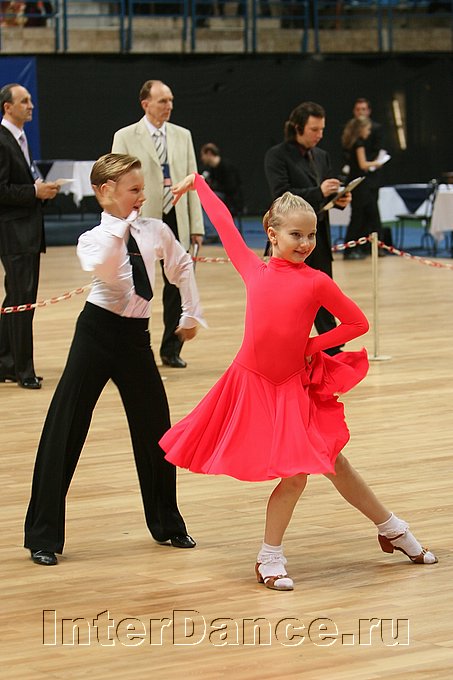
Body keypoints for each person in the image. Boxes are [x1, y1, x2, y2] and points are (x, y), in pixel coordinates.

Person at [159, 172, 437, 592]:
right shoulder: (253, 269)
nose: (305, 243)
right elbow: (224, 222)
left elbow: (357, 323)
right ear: (272, 234)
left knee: (324, 465)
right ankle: (283, 554)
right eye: (296, 235)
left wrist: (312, 345)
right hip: (251, 384)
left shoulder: (316, 281)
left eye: (311, 235)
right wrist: (198, 183)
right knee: (306, 472)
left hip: (292, 386)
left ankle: (387, 530)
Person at [24, 153, 206, 566]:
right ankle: (43, 535)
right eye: (134, 190)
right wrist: (119, 223)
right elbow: (104, 265)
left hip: (136, 340)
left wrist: (190, 314)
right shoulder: (93, 238)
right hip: (96, 335)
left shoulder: (155, 230)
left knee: (156, 430)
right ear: (105, 192)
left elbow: (181, 265)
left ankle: (168, 524)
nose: (143, 196)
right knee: (65, 427)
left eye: (143, 188)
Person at [112, 79, 204, 369]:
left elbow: (193, 181)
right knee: (138, 284)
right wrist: (119, 223)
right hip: (140, 218)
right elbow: (116, 182)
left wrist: (197, 225)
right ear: (146, 104)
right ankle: (133, 346)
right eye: (163, 101)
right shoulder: (125, 136)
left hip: (176, 215)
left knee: (177, 283)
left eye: (171, 100)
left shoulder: (183, 135)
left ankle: (171, 349)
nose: (169, 106)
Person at [264, 101, 350, 356]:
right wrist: (319, 192)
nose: (319, 134)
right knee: (285, 297)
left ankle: (332, 348)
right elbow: (280, 195)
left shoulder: (321, 155)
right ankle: (281, 346)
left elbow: (323, 197)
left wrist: (338, 199)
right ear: (297, 128)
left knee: (323, 293)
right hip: (288, 239)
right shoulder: (277, 155)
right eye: (314, 129)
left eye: (322, 129)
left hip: (318, 236)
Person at [0, 83, 60, 389]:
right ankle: (24, 371)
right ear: (8, 107)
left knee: (16, 299)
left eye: (30, 100)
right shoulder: (2, 140)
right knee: (22, 301)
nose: (31, 105)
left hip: (26, 231)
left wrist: (41, 191)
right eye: (24, 101)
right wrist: (34, 192)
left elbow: (23, 183)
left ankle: (6, 362)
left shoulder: (19, 138)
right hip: (14, 233)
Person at [341, 116, 385, 260]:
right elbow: (363, 164)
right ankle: (349, 249)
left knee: (360, 216)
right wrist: (377, 163)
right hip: (359, 185)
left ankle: (354, 248)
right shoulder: (359, 143)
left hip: (357, 184)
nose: (368, 132)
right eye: (367, 129)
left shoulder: (352, 142)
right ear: (360, 129)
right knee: (357, 217)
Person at [352, 97, 392, 247]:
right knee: (359, 213)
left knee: (372, 213)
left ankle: (374, 245)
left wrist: (373, 164)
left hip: (371, 179)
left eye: (363, 109)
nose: (361, 112)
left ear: (369, 111)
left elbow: (378, 150)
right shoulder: (354, 133)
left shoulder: (376, 129)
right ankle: (357, 246)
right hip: (358, 178)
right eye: (358, 109)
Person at [199, 142, 244, 243]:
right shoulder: (211, 169)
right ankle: (211, 232)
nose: (202, 158)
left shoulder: (227, 167)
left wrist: (213, 189)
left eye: (203, 155)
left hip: (231, 200)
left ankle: (212, 233)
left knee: (204, 200)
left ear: (209, 153)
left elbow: (231, 188)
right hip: (221, 197)